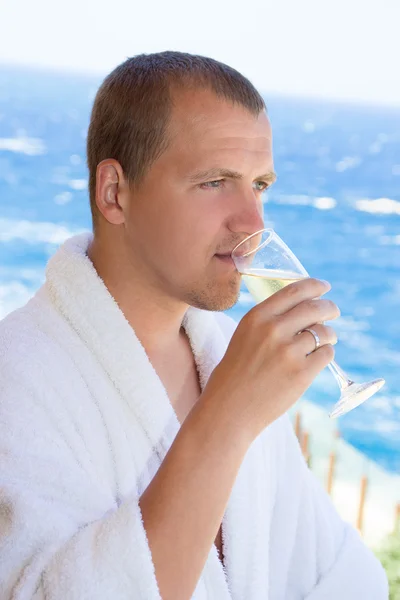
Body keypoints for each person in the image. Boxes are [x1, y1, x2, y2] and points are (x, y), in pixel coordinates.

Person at [0, 51, 388, 600]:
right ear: (115, 192)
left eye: (260, 185)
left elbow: (341, 573)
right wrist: (227, 417)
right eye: (214, 183)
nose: (253, 222)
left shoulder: (228, 355)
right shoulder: (17, 378)